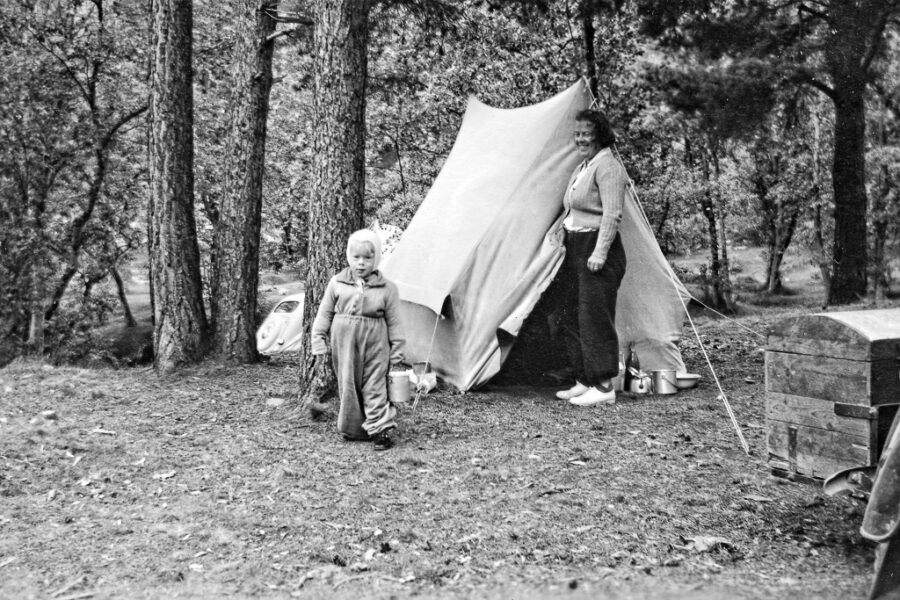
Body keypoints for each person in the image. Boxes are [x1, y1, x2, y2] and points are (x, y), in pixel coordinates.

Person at [553, 109, 627, 407]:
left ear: (600, 134)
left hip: (597, 249)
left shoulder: (608, 166)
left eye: (585, 133)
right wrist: (560, 230)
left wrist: (599, 252)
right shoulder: (585, 166)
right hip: (575, 245)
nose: (580, 139)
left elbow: (612, 214)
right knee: (570, 313)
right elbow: (572, 207)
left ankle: (604, 385)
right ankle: (584, 379)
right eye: (577, 134)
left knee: (595, 317)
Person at [310, 229, 406, 450]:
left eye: (367, 257)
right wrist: (318, 341)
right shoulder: (337, 283)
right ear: (348, 257)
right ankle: (353, 429)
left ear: (377, 258)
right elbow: (324, 314)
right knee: (348, 384)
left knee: (375, 385)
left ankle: (380, 431)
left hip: (375, 343)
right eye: (356, 257)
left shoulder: (388, 289)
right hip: (344, 343)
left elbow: (395, 322)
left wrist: (397, 350)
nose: (361, 263)